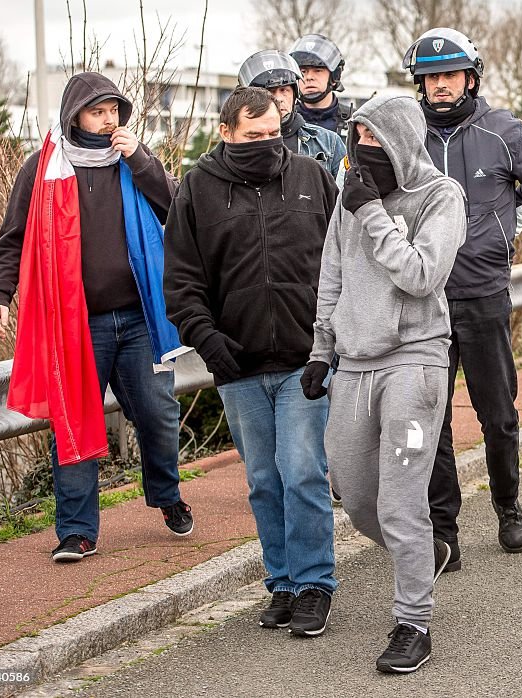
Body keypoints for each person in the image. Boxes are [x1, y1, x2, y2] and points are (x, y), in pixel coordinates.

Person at [0, 72, 190, 563]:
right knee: (72, 422)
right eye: (98, 111)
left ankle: (166, 496)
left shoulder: (132, 162)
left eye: (115, 110)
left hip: (139, 318)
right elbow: (13, 237)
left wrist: (139, 158)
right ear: (75, 115)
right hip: (75, 325)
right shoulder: (42, 168)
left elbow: (177, 208)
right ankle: (77, 532)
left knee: (158, 416)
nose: (109, 119)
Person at [164, 86, 339, 634]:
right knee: (264, 479)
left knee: (303, 472)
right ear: (226, 133)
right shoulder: (196, 190)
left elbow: (342, 262)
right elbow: (182, 281)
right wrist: (208, 341)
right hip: (236, 365)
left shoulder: (312, 177)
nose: (265, 146)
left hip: (305, 360)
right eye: (252, 137)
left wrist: (332, 341)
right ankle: (282, 583)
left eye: (272, 135)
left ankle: (314, 584)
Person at [304, 94, 466, 673]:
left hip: (416, 362)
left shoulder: (439, 196)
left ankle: (413, 623)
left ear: (401, 138)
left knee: (401, 505)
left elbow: (423, 275)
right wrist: (322, 350)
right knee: (356, 498)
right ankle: (429, 553)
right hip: (354, 363)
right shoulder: (351, 199)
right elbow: (333, 276)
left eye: (376, 137)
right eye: (358, 138)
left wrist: (374, 212)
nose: (364, 148)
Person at [400, 27, 522, 567]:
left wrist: (505, 230)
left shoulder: (504, 129)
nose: (440, 85)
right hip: (424, 300)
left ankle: (508, 506)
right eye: (430, 77)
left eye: (449, 75)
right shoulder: (407, 133)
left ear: (470, 76)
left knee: (499, 414)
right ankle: (443, 528)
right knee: (432, 418)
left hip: (485, 293)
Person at [238, 49, 346, 178]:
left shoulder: (329, 142)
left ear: (295, 94)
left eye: (284, 90)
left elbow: (345, 193)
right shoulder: (239, 141)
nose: (278, 99)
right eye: (270, 92)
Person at [291, 34, 353, 143]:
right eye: (303, 72)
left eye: (318, 70)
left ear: (334, 76)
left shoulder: (354, 122)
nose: (309, 77)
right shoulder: (284, 122)